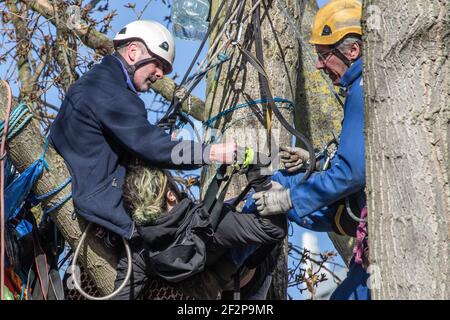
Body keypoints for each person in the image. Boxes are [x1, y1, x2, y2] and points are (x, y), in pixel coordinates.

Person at [49, 20, 237, 240]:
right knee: (194, 241)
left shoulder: (97, 82)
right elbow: (152, 146)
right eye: (158, 64)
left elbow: (134, 142)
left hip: (93, 195)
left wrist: (158, 143)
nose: (160, 74)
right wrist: (212, 153)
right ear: (133, 52)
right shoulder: (110, 90)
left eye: (164, 70)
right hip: (103, 206)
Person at [251, 0, 370, 300]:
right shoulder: (361, 87)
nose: (319, 64)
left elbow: (353, 172)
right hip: (359, 217)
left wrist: (290, 198)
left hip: (371, 225)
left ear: (352, 52)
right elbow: (358, 159)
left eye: (324, 55)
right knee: (275, 185)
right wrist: (316, 162)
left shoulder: (362, 89)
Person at [112, 163, 287, 300]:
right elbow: (275, 230)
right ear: (170, 195)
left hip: (214, 289)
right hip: (249, 284)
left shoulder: (140, 253)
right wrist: (261, 181)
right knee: (282, 180)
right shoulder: (211, 223)